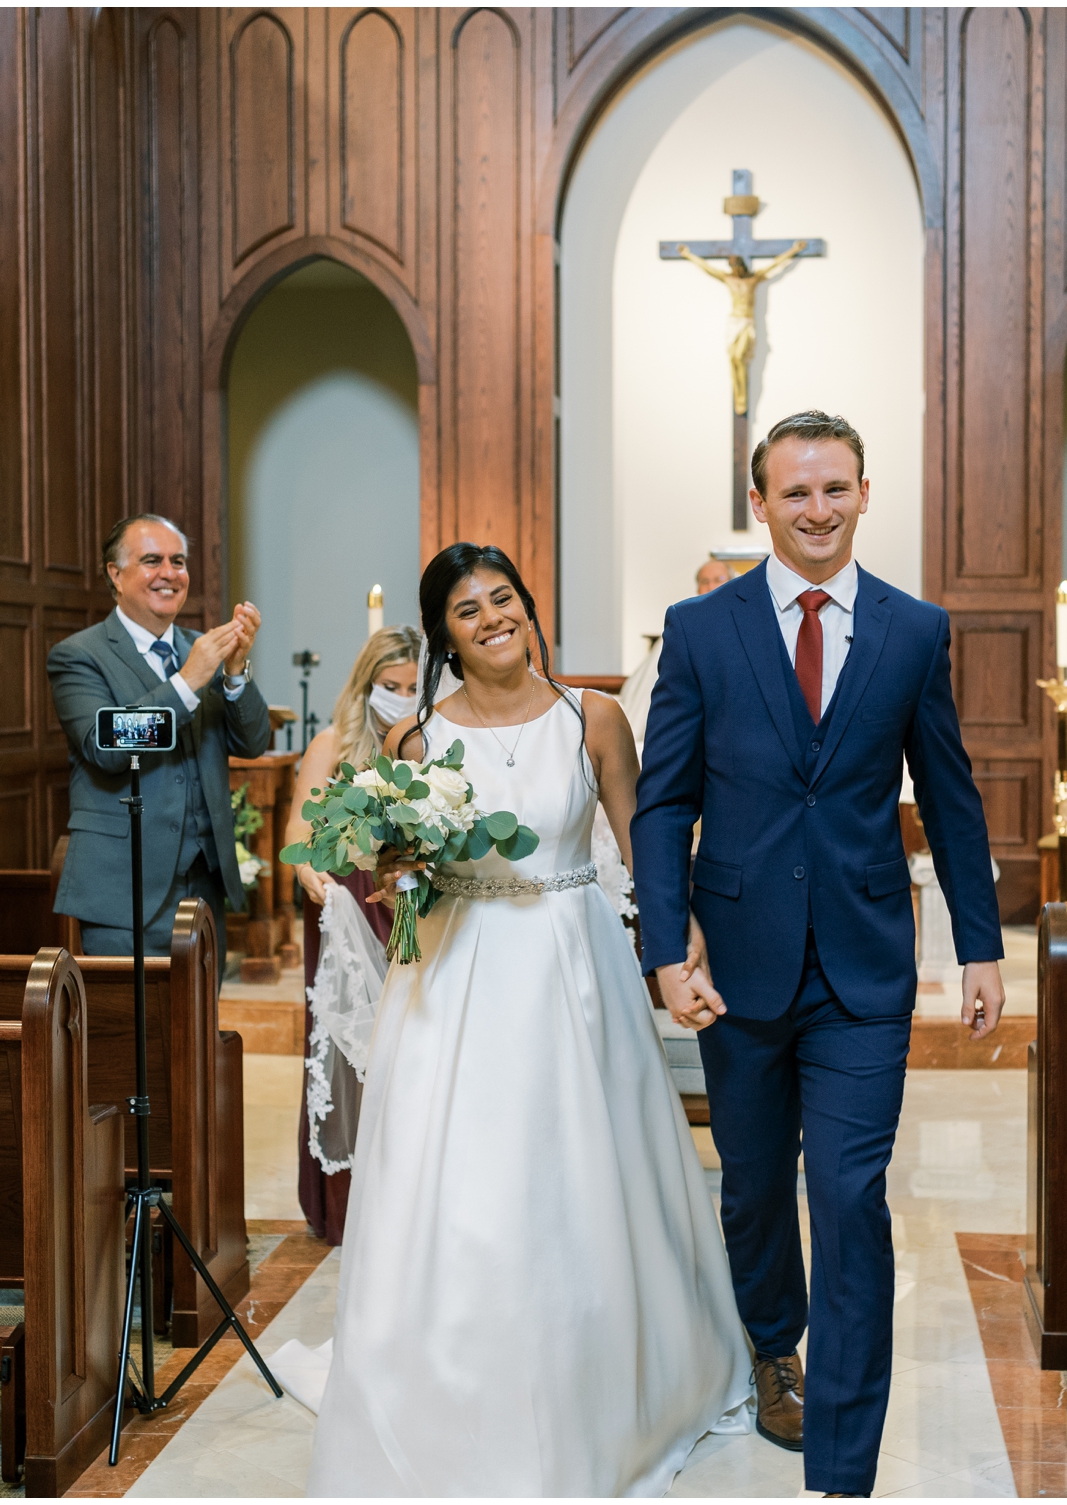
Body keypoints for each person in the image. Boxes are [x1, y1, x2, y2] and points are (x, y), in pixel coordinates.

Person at [308, 544, 748, 1496]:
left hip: (571, 962)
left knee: (577, 1167)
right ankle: (456, 1384)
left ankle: (607, 1378)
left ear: (527, 605)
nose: (493, 618)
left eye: (503, 599)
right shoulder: (415, 743)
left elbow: (643, 843)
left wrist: (682, 943)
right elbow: (401, 873)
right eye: (468, 611)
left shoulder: (593, 718)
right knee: (465, 1179)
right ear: (444, 635)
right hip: (459, 976)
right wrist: (394, 862)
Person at [634, 410, 1006, 1495]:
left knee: (847, 1194)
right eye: (793, 492)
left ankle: (843, 1463)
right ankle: (771, 1344)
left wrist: (978, 944)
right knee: (751, 1185)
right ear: (761, 503)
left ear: (862, 491)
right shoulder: (700, 630)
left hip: (862, 960)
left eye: (833, 488)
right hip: (738, 955)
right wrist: (667, 944)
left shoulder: (911, 629)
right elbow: (662, 804)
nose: (815, 509)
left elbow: (948, 794)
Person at [48, 515, 270, 954]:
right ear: (116, 573)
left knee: (201, 1022)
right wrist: (188, 682)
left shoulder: (201, 649)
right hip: (124, 888)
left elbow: (252, 743)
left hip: (204, 886)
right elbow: (104, 745)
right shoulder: (78, 655)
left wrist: (234, 672)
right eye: (152, 561)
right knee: (133, 1023)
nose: (169, 573)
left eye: (178, 561)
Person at [281, 623, 422, 1245]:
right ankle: (346, 1202)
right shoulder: (334, 743)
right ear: (367, 684)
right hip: (349, 908)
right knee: (352, 1049)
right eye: (390, 686)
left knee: (415, 1048)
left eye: (414, 686)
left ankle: (414, 1196)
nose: (401, 696)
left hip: (414, 908)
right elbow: (298, 838)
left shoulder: (437, 738)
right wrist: (315, 877)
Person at [616, 556, 734, 745]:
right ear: (697, 589)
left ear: (732, 583)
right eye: (705, 581)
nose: (711, 586)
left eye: (719, 580)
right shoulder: (681, 628)